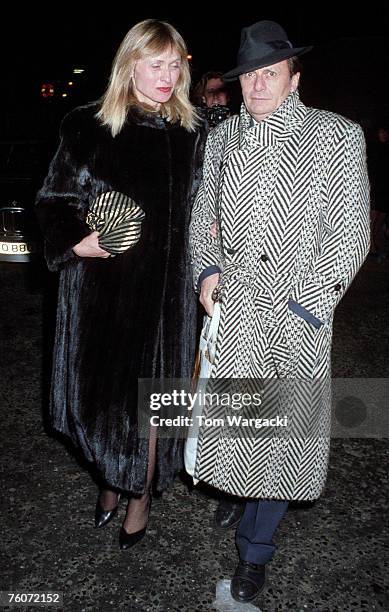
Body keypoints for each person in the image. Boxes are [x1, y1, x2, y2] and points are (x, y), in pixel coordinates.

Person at [190, 20, 370, 603]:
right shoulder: (222, 140)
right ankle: (240, 496)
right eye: (249, 77)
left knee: (281, 442)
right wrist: (208, 271)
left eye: (271, 74)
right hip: (236, 311)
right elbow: (202, 221)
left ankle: (255, 553)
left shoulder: (337, 138)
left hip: (297, 318)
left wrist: (307, 303)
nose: (258, 86)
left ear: (294, 78)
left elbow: (352, 236)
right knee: (239, 427)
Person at [36, 19, 206, 550]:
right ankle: (112, 479)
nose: (167, 75)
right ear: (129, 64)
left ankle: (139, 497)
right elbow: (52, 202)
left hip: (171, 299)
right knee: (102, 407)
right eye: (156, 64)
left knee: (156, 406)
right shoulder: (87, 126)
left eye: (175, 64)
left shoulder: (195, 132)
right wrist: (75, 241)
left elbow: (214, 211)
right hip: (104, 297)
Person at [368, 122, 389, 258]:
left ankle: (377, 247)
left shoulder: (386, 149)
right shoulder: (373, 148)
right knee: (373, 220)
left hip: (384, 189)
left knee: (380, 220)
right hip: (375, 188)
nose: (383, 135)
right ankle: (372, 248)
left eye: (385, 132)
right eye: (381, 132)